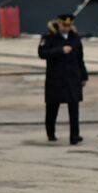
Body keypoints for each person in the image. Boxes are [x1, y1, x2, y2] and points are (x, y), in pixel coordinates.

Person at [38, 12, 87, 144]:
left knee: (74, 108)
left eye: (69, 25)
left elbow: (80, 59)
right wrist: (60, 50)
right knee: (52, 107)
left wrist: (84, 76)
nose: (66, 28)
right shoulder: (49, 37)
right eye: (64, 25)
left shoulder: (75, 38)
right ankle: (51, 132)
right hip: (56, 78)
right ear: (59, 23)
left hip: (72, 77)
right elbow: (42, 53)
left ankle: (74, 136)